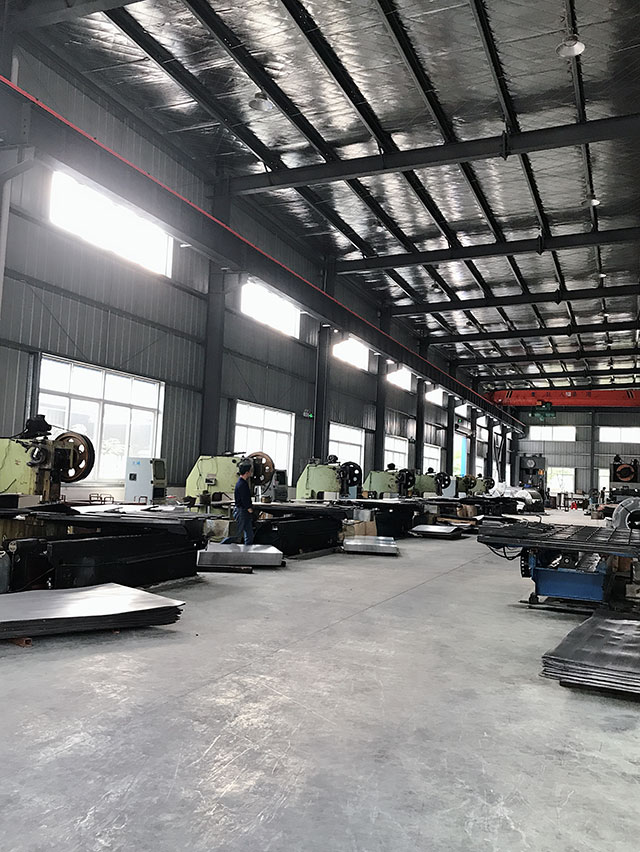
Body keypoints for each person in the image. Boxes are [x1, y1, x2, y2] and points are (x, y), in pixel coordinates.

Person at [222, 462, 255, 545]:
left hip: (244, 512)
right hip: (242, 512)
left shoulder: (242, 483)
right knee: (235, 534)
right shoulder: (242, 484)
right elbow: (245, 499)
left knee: (249, 534)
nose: (251, 473)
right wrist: (250, 510)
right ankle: (219, 547)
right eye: (250, 471)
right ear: (247, 472)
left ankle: (248, 550)